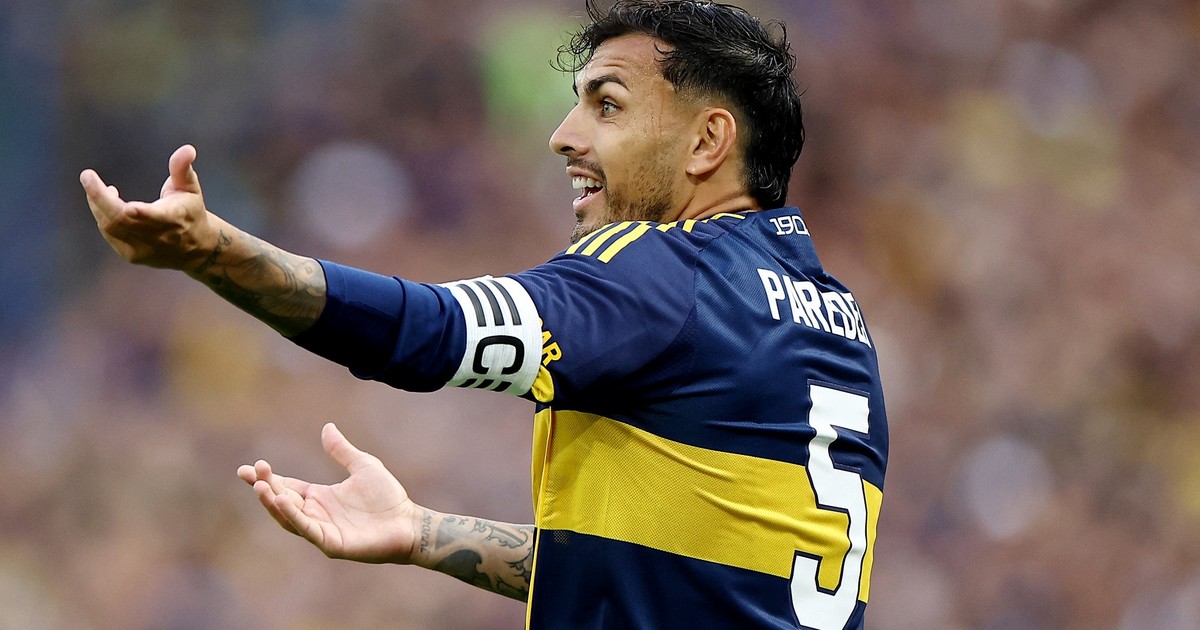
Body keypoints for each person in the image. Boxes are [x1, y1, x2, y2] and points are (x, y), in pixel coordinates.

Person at [80, 0, 888, 627]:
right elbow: (678, 575)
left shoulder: (663, 270)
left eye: (607, 106)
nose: (563, 136)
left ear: (708, 142)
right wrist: (424, 533)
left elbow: (428, 333)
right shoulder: (834, 321)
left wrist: (213, 252)